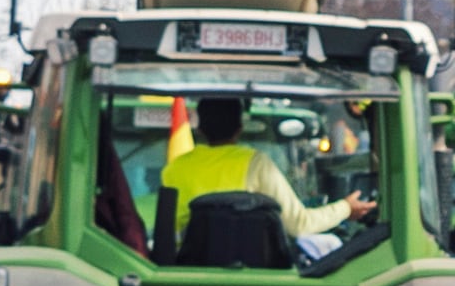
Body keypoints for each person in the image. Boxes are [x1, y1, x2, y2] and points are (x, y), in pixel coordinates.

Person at [154, 93, 375, 259]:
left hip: (187, 281)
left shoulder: (174, 169)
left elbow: (166, 238)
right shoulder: (256, 164)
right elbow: (299, 225)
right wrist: (346, 208)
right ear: (240, 127)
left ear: (199, 128)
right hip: (254, 281)